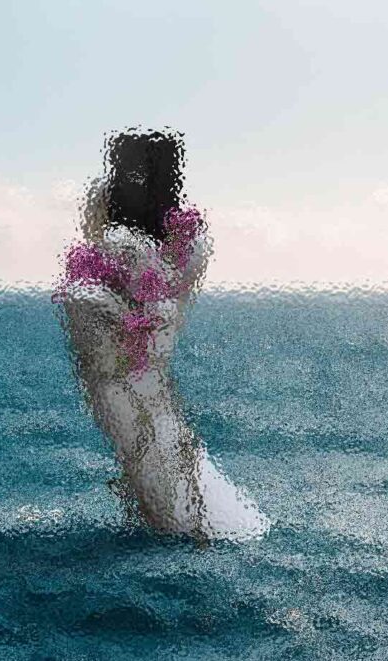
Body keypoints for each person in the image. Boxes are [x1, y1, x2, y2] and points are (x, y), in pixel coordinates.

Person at [55, 128, 269, 541]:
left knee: (153, 448)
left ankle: (180, 522)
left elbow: (165, 307)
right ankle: (179, 521)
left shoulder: (174, 245)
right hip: (129, 368)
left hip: (134, 367)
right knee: (149, 446)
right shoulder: (128, 254)